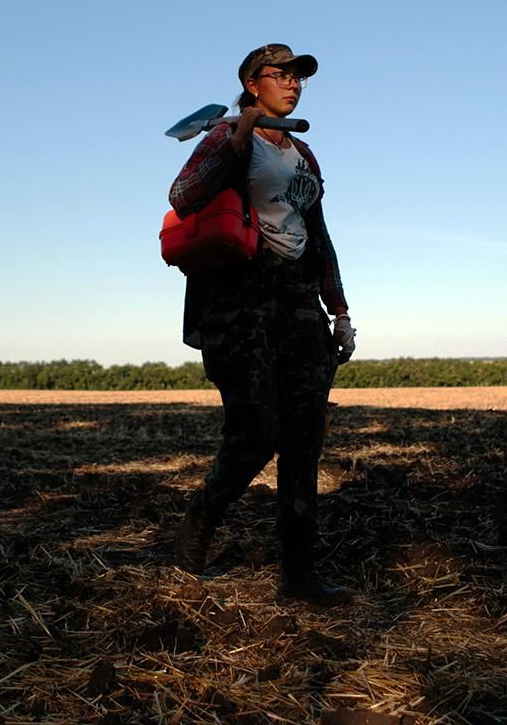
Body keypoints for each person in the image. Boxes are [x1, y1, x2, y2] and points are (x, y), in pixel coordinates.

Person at [168, 43, 357, 605]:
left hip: (299, 299)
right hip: (240, 299)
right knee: (256, 433)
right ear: (252, 84)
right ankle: (198, 527)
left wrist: (339, 309)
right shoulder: (224, 137)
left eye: (299, 77)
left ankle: (299, 575)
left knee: (303, 441)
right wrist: (236, 138)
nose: (293, 84)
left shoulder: (305, 157)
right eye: (280, 75)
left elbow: (319, 234)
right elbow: (183, 197)